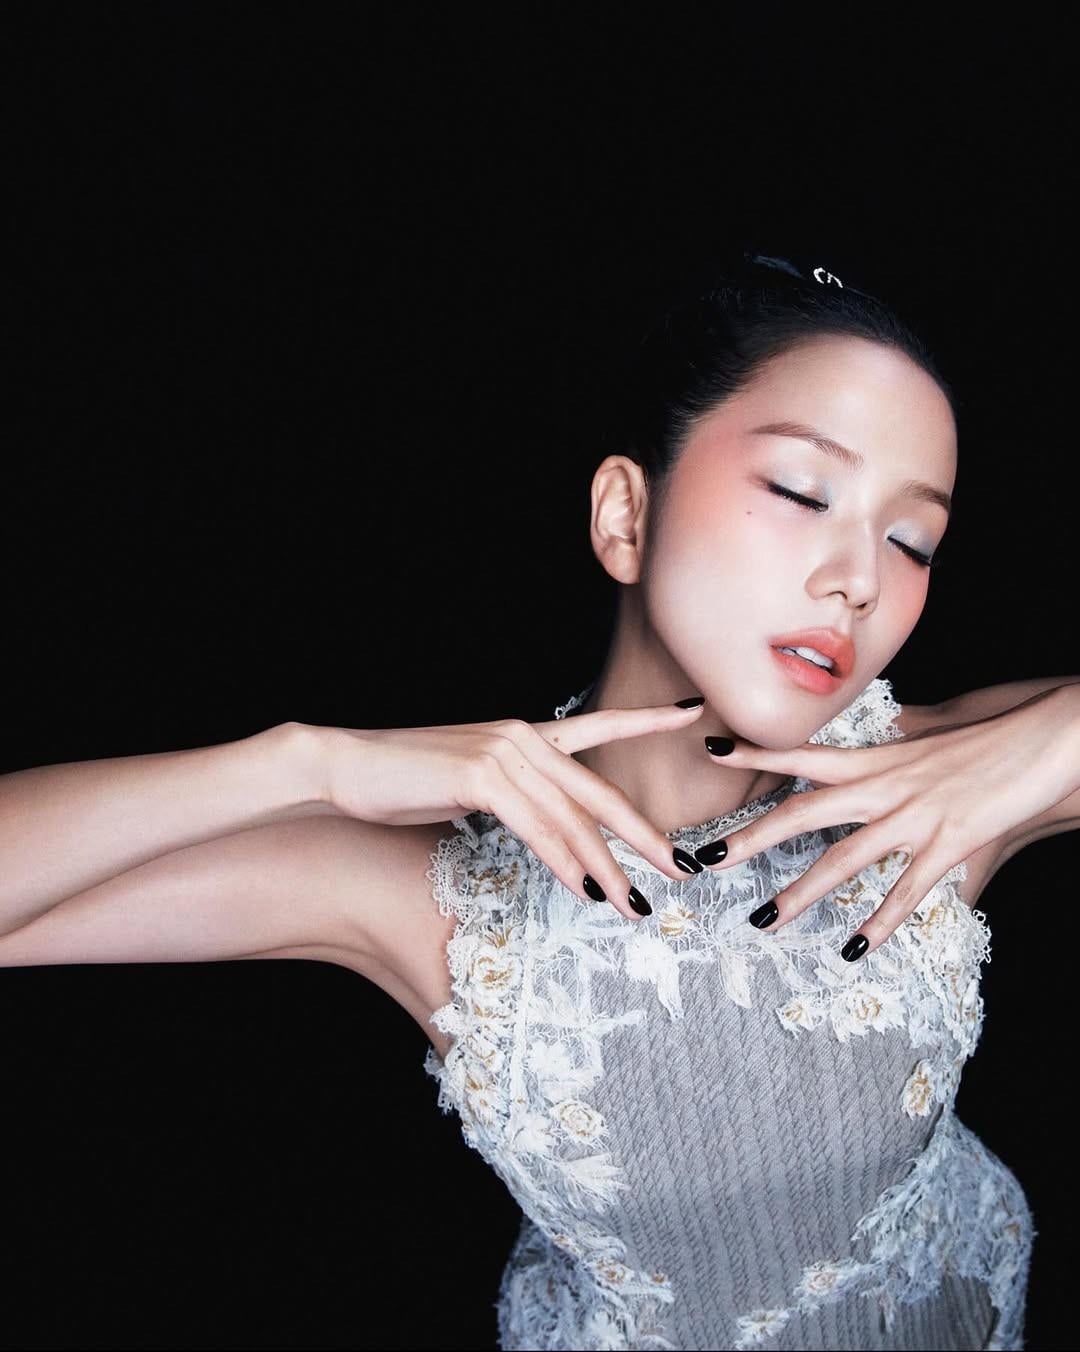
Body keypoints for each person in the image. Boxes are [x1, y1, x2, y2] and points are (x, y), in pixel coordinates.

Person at [2, 248, 1078, 1351]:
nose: (860, 578)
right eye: (803, 492)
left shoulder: (937, 784)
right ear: (626, 516)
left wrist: (1038, 747)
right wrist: (306, 763)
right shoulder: (444, 895)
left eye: (912, 541)